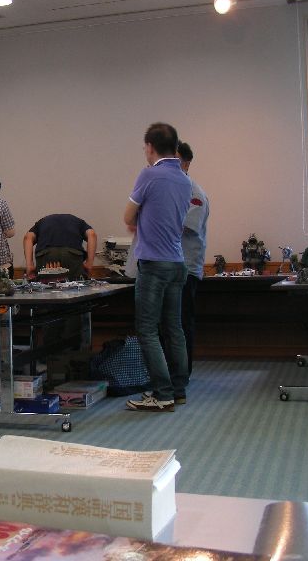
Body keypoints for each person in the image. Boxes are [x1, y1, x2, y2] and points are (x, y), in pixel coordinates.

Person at [123, 122, 191, 412]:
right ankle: (178, 390)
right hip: (177, 263)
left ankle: (162, 393)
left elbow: (128, 216)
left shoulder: (148, 174)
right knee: (174, 328)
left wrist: (140, 219)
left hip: (153, 263)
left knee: (147, 330)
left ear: (150, 147)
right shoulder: (185, 180)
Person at [177, 141, 209, 377]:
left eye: (174, 161)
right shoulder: (169, 192)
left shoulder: (194, 193)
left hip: (185, 268)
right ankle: (169, 372)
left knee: (182, 321)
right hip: (167, 267)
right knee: (166, 323)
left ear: (186, 164)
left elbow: (185, 227)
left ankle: (182, 373)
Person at [23, 214, 97, 279]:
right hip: (72, 255)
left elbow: (27, 238)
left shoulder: (41, 222)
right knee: (76, 286)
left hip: (46, 255)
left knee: (46, 285)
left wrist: (30, 265)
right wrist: (89, 264)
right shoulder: (79, 222)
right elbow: (92, 234)